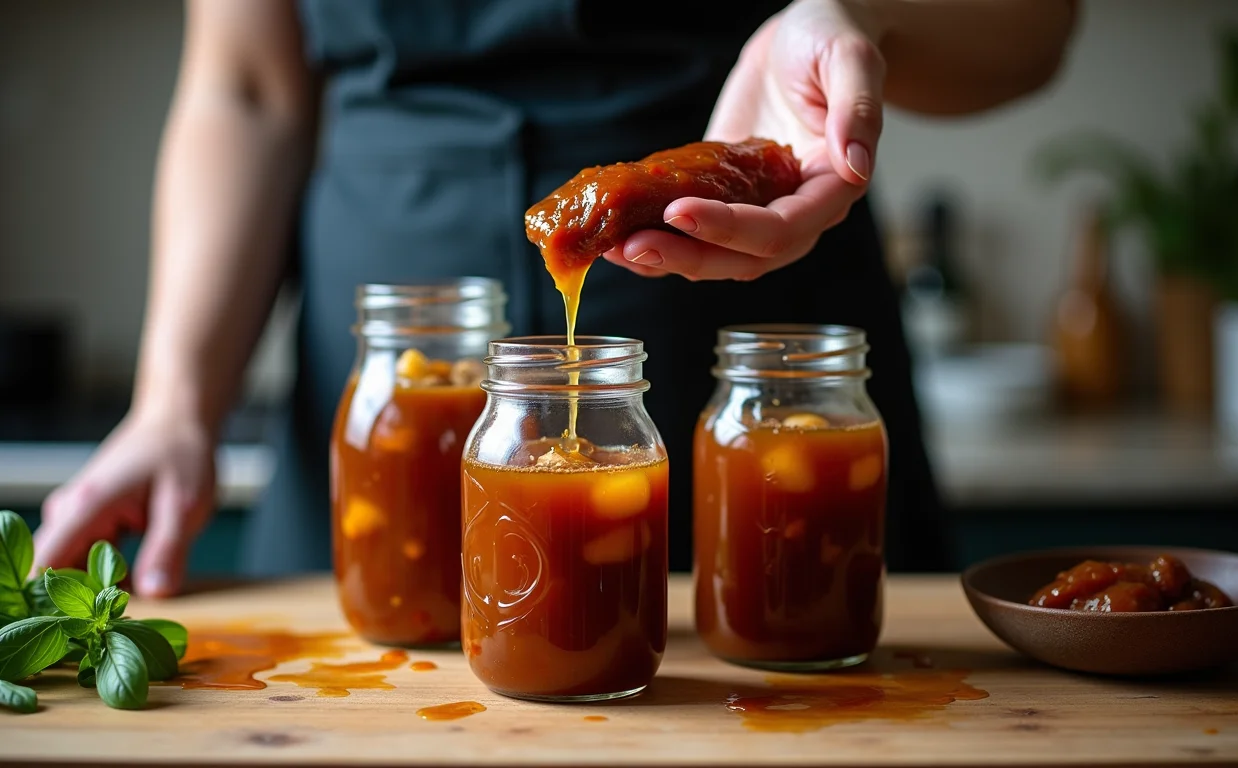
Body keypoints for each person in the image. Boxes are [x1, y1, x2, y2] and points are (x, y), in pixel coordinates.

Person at [32, 0, 1077, 597]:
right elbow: (247, 87)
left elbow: (1037, 31)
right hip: (387, 369)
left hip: (748, 296)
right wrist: (172, 404)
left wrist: (859, 9)